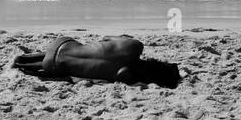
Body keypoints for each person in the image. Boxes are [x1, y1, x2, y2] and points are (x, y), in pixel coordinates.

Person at [13, 35, 181, 88]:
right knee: (68, 63)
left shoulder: (134, 46)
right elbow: (100, 80)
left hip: (62, 42)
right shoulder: (127, 76)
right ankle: (22, 64)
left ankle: (23, 60)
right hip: (53, 67)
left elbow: (107, 37)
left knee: (79, 49)